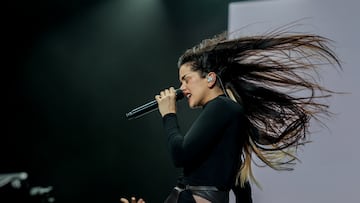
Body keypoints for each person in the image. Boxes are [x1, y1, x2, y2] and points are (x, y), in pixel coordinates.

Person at [154, 27, 341, 203]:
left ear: (210, 78)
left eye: (186, 80)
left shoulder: (221, 107)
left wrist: (169, 115)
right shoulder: (226, 112)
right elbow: (238, 178)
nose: (182, 89)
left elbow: (180, 155)